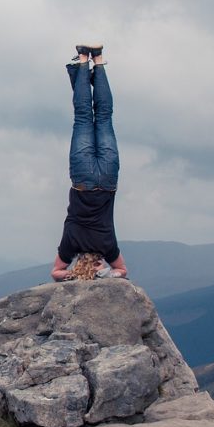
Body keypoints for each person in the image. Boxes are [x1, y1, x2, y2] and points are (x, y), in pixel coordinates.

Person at [51, 43, 128, 281]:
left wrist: (105, 274)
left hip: (107, 180)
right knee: (84, 116)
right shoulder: (70, 245)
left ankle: (99, 59)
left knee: (104, 117)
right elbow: (55, 272)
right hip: (82, 179)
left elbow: (122, 271)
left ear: (98, 263)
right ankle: (84, 57)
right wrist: (70, 275)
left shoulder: (108, 247)